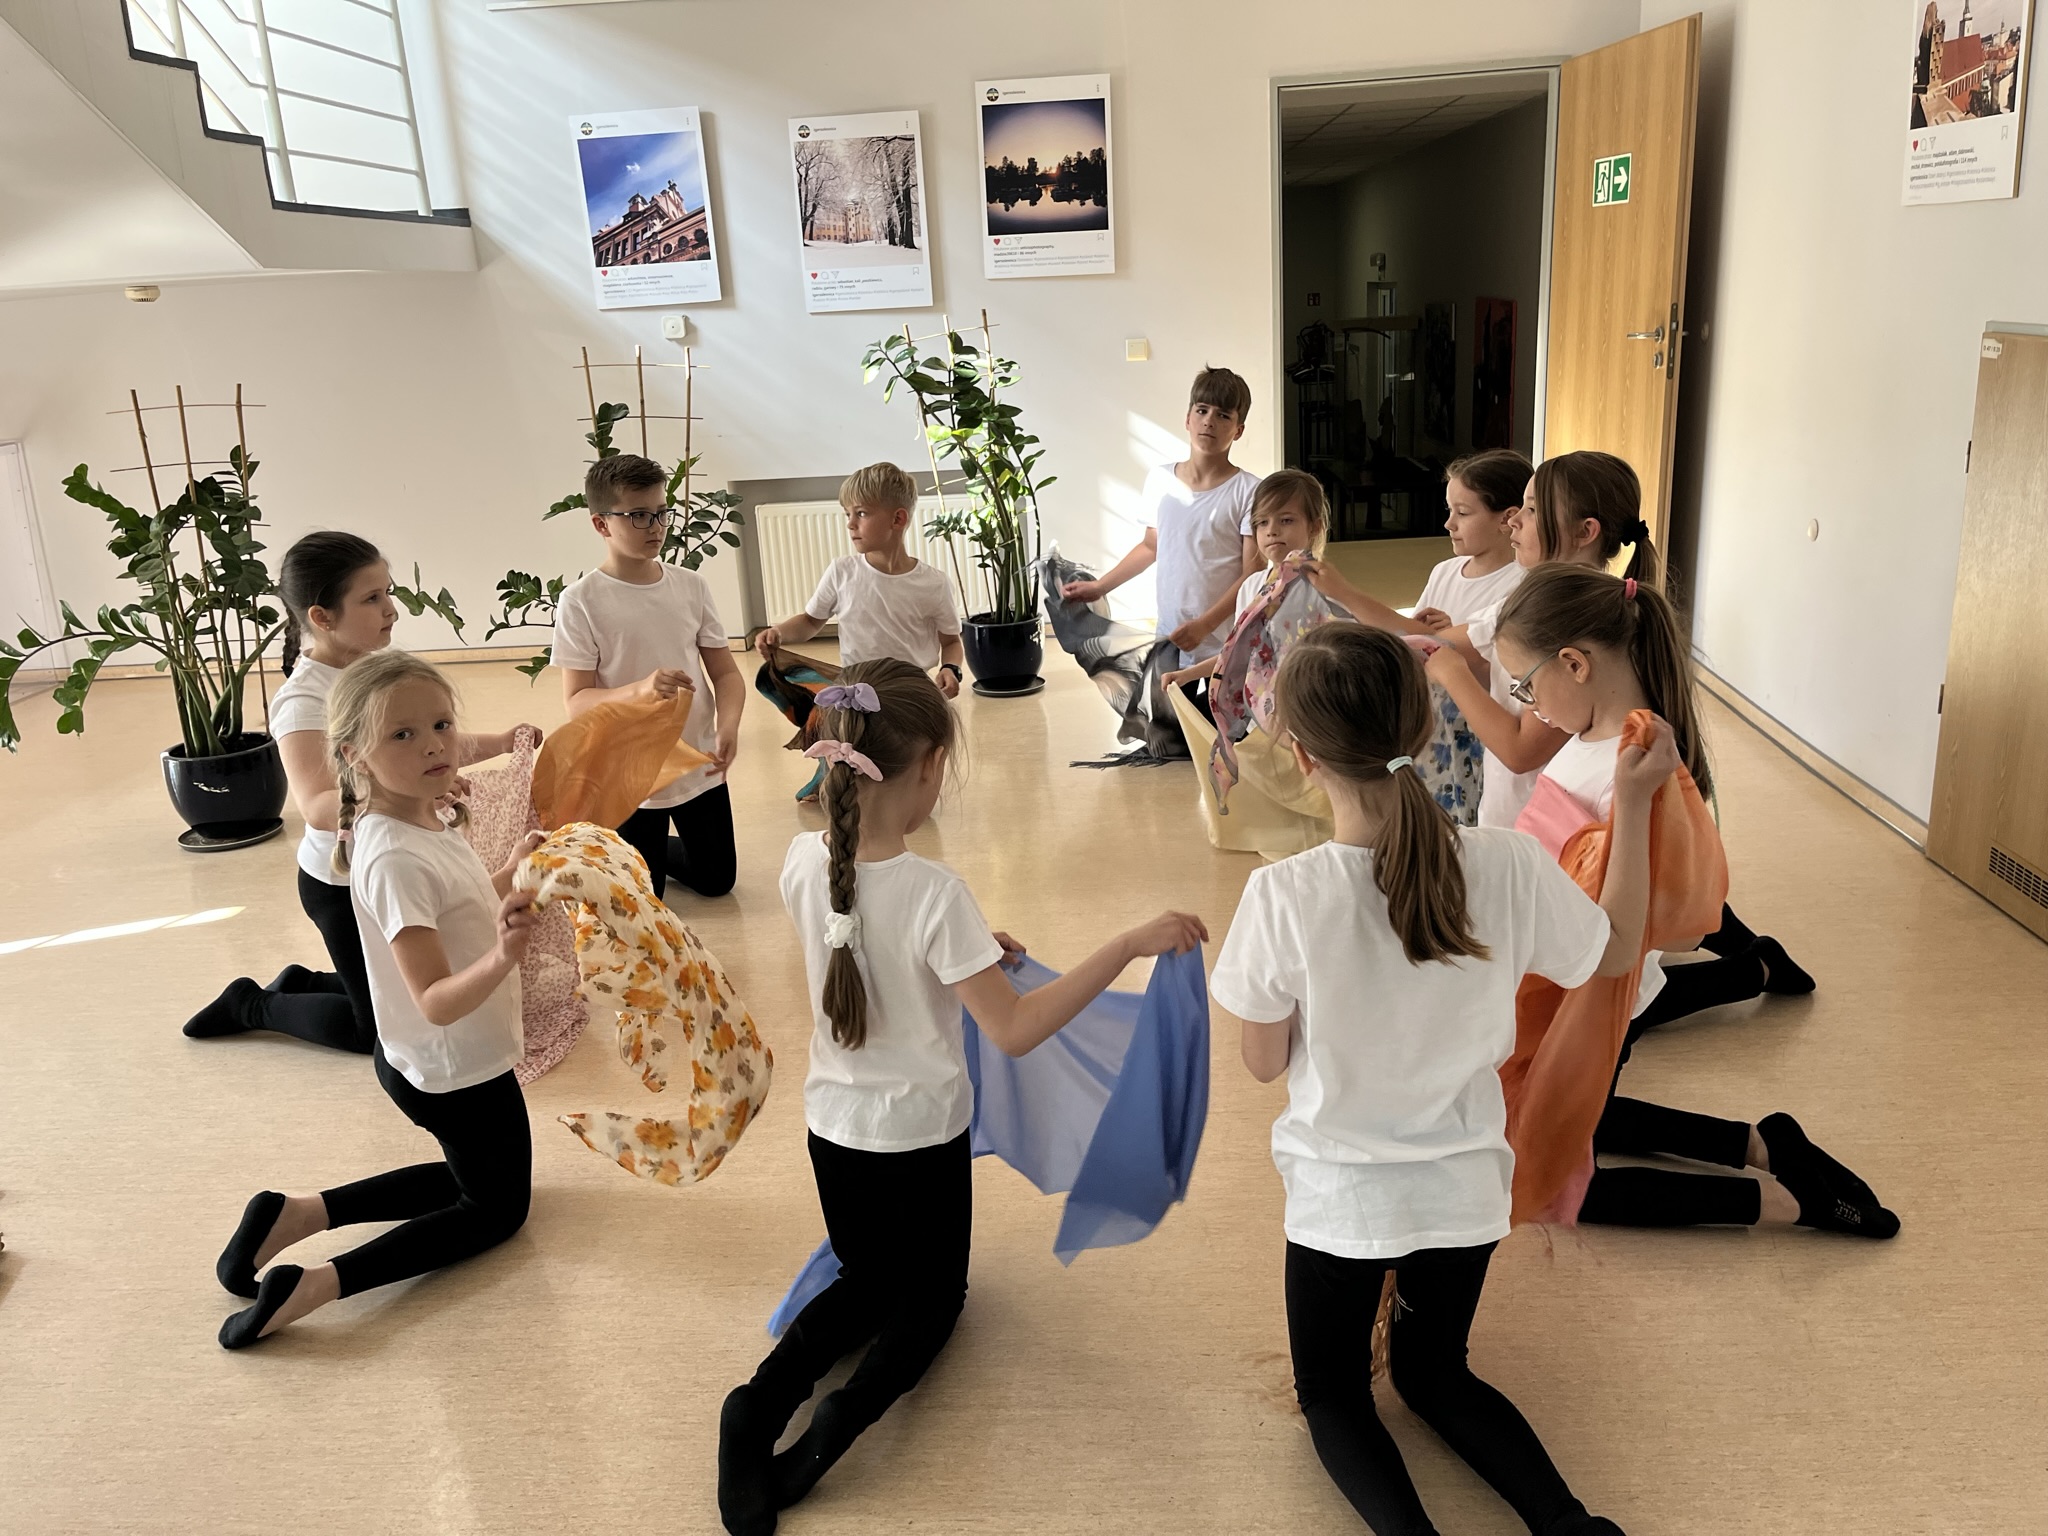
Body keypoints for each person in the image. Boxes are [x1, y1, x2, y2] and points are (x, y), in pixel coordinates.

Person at [716, 659, 1205, 1536]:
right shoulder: (935, 895)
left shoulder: (799, 862)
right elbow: (1013, 1030)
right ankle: (844, 1418)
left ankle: (756, 1402)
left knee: (864, 1279)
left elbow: (857, 938)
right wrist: (1126, 943)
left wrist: (970, 954)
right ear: (931, 767)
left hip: (832, 1128)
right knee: (934, 1300)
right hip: (918, 1141)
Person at [1211, 624, 1651, 1536]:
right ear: (1421, 730)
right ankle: (1571, 1526)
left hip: (1340, 1205)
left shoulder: (1283, 895)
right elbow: (1612, 951)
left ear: (1302, 757)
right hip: (1464, 1195)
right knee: (1435, 1374)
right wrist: (1637, 807)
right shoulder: (1507, 862)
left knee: (1333, 1394)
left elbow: (1262, 1063)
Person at [1492, 564, 1895, 1237]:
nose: (1528, 706)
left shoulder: (1638, 769)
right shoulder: (1594, 743)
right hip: (1559, 988)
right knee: (1570, 1116)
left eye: (1525, 685)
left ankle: (1790, 1204)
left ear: (1574, 664)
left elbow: (1680, 925)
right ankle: (1766, 1145)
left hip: (1595, 1001)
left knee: (1554, 1185)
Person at [212, 650, 543, 1348]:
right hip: (450, 1061)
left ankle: (295, 1215)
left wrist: (510, 872)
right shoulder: (394, 854)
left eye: (442, 725)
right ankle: (315, 1285)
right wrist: (504, 955)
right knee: (496, 1210)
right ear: (353, 755)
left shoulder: (424, 817)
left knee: (478, 1177)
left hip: (436, 1055)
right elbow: (435, 999)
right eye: (403, 734)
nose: (434, 745)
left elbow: (457, 904)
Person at [1428, 453, 1812, 1030]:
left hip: (1588, 877)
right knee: (1605, 966)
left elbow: (1524, 751)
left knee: (1620, 993)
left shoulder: (1603, 713)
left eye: (1530, 509)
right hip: (1564, 849)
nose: (1514, 521)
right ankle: (1746, 958)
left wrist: (1455, 675)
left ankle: (1750, 968)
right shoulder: (1552, 636)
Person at [183, 533, 531, 1051]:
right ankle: (252, 1004)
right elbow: (317, 805)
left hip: (394, 865)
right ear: (322, 617)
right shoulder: (302, 701)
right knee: (374, 1029)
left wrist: (498, 743)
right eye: (371, 599)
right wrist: (402, 795)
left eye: (387, 592)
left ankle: (305, 981)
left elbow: (424, 740)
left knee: (395, 977)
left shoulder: (375, 671)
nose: (391, 609)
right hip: (341, 883)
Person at [551, 453, 745, 902]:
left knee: (717, 882)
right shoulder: (581, 601)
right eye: (638, 515)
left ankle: (647, 851)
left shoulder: (691, 586)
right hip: (627, 775)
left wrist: (729, 726)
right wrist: (641, 689)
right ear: (601, 524)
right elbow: (577, 701)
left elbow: (726, 674)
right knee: (646, 897)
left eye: (661, 512)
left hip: (696, 760)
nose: (655, 527)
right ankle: (615, 848)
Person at [1059, 366, 1260, 714]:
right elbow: (1150, 547)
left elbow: (1252, 573)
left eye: (1223, 415)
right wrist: (1101, 587)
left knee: (1218, 727)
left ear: (1238, 430)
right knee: (1172, 727)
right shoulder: (1160, 480)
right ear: (1188, 418)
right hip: (1170, 635)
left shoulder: (1249, 491)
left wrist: (1205, 626)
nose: (1209, 421)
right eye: (1202, 410)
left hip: (1222, 641)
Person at [757, 461, 966, 699]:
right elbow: (810, 622)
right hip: (856, 693)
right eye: (848, 514)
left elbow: (951, 642)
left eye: (861, 513)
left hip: (911, 694)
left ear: (898, 519)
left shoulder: (934, 584)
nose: (850, 523)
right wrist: (779, 633)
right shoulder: (841, 572)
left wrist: (951, 668)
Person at [1291, 449, 1534, 641]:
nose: (1449, 524)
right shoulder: (1444, 572)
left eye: (1463, 513)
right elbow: (1409, 634)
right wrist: (1423, 629)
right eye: (1449, 510)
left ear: (1506, 519)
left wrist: (1344, 592)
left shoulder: (1522, 588)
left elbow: (1457, 651)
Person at [1160, 467, 1347, 693]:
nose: (1272, 531)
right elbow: (1238, 653)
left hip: (1304, 704)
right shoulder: (1251, 586)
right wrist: (1187, 674)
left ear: (1314, 527)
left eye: (1286, 520)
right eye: (1262, 522)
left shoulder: (1325, 586)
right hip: (1256, 709)